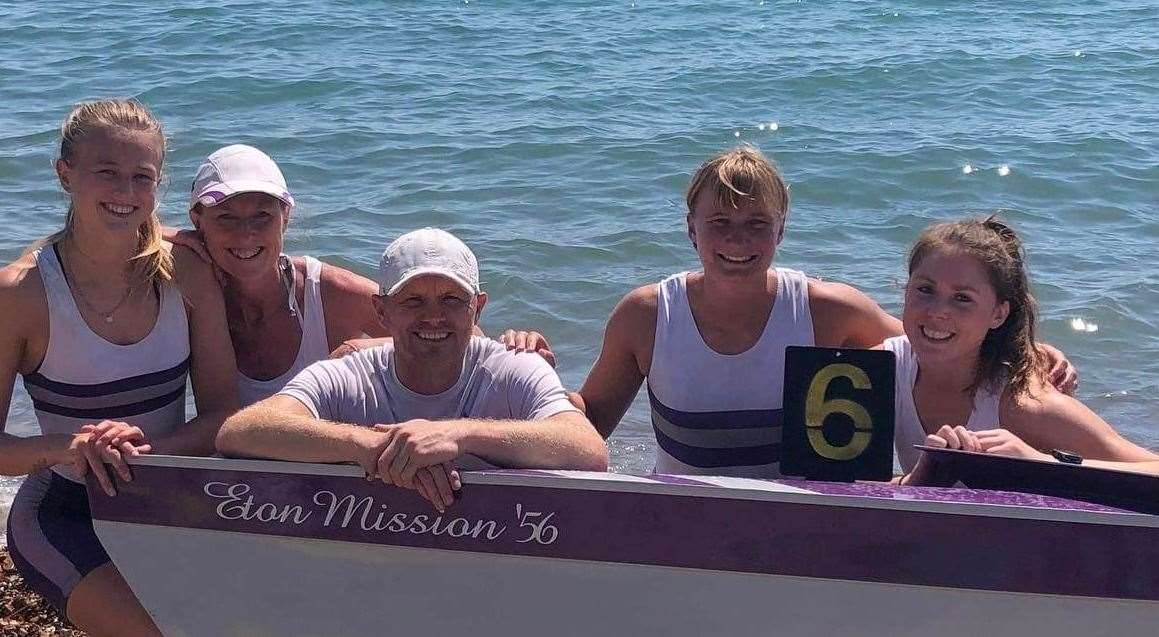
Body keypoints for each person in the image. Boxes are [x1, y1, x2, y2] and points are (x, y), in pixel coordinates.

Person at [569, 145, 1076, 478]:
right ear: (691, 228)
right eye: (720, 221)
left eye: (757, 223)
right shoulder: (648, 315)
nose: (738, 240)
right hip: (687, 519)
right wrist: (528, 378)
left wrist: (1027, 351)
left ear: (781, 230)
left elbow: (938, 340)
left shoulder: (826, 310)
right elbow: (590, 422)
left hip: (802, 526)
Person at [0, 100, 237, 636]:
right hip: (63, 513)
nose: (126, 193)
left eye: (142, 177)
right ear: (65, 174)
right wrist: (73, 448)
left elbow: (223, 413)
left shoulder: (186, 273)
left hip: (168, 502)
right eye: (106, 173)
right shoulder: (22, 293)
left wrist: (150, 453)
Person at [216, 228, 608, 510]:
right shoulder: (348, 374)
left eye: (452, 300)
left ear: (478, 308)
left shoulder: (513, 369)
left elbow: (589, 450)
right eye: (414, 301)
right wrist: (374, 449)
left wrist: (457, 435)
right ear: (382, 311)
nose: (433, 317)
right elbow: (240, 431)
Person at [887, 217, 1158, 485]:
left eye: (962, 298)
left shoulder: (1026, 406)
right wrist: (912, 482)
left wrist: (1039, 463)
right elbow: (850, 485)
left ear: (998, 314)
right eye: (925, 289)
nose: (937, 311)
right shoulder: (879, 371)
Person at [180, 144, 388, 405]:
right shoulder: (186, 295)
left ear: (285, 217)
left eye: (262, 216)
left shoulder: (329, 293)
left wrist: (367, 350)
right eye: (226, 217)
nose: (245, 233)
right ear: (197, 222)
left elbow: (442, 337)